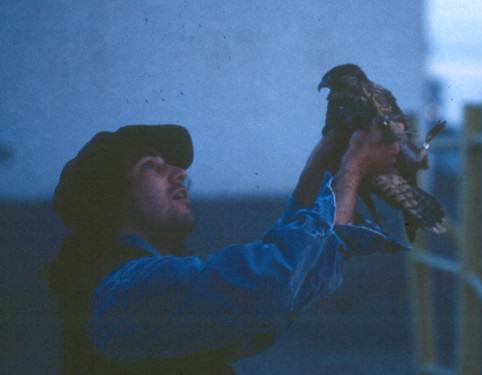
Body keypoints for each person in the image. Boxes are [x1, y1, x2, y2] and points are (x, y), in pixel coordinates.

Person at [47, 123, 408, 374]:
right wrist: (353, 168)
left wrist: (328, 156)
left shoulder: (118, 279)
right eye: (152, 167)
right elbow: (273, 282)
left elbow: (291, 276)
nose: (180, 173)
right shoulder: (129, 289)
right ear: (112, 198)